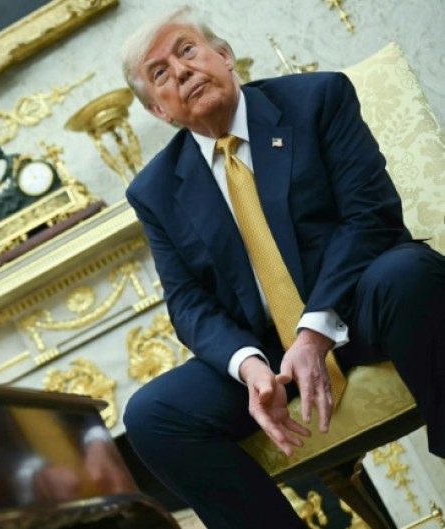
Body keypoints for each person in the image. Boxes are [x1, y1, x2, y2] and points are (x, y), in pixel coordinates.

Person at [118, 6, 445, 528]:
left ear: (223, 57)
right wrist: (248, 365)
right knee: (153, 416)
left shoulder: (317, 100)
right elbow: (187, 303)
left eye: (186, 50)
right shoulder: (155, 190)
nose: (180, 71)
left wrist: (313, 334)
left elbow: (370, 216)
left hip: (356, 304)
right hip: (268, 353)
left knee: (410, 274)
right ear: (160, 111)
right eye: (160, 74)